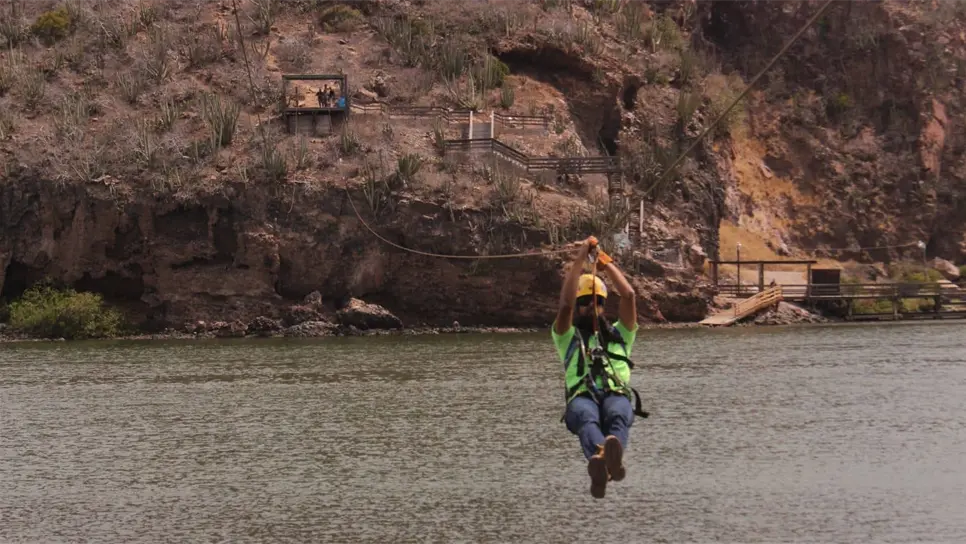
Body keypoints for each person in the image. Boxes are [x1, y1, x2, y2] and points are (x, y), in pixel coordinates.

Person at [551, 236, 648, 499]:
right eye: (585, 302)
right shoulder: (567, 336)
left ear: (604, 306)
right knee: (585, 416)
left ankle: (605, 460)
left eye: (597, 302)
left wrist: (604, 263)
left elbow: (628, 295)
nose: (591, 307)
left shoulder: (621, 336)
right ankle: (603, 457)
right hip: (582, 397)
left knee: (618, 412)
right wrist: (581, 257)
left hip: (615, 394)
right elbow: (566, 305)